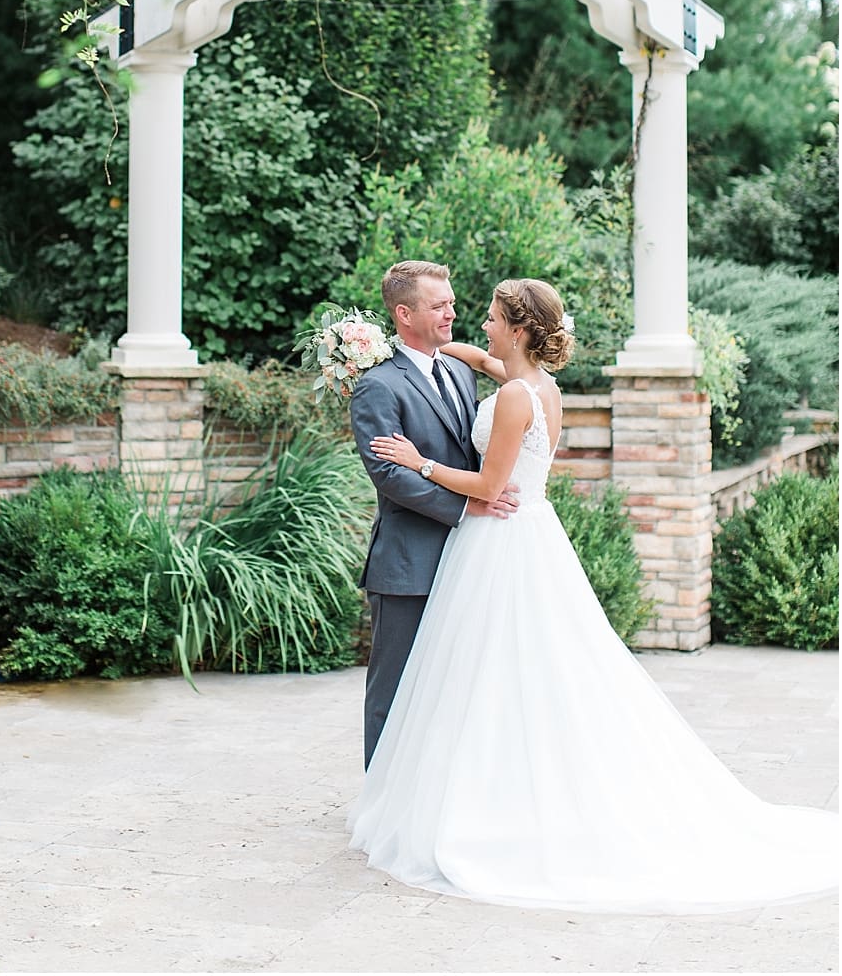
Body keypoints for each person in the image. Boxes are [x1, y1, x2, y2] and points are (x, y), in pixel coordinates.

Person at [352, 277, 840, 911]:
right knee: (508, 675)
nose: (478, 322)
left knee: (482, 675)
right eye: (453, 310)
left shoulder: (512, 401)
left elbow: (490, 483)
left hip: (496, 534)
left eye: (492, 317)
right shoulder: (536, 385)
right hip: (526, 538)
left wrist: (419, 461)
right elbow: (484, 361)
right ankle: (469, 793)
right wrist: (451, 353)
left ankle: (482, 806)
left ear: (520, 329)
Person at [347, 260, 518, 768]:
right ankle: (381, 802)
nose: (452, 312)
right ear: (404, 313)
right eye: (439, 305)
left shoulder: (460, 369)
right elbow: (389, 475)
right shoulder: (379, 385)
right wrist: (470, 505)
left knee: (455, 689)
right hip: (408, 565)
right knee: (395, 689)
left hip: (470, 558)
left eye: (452, 302)